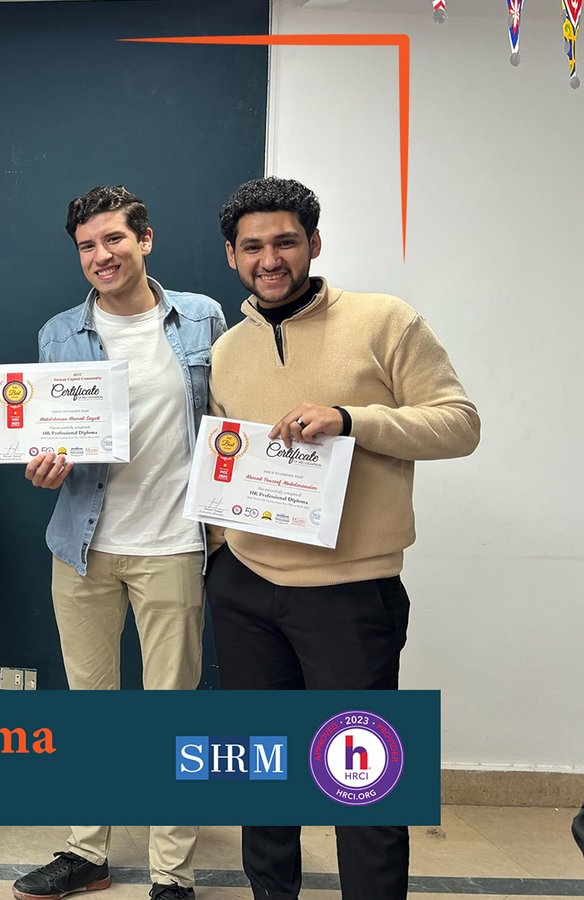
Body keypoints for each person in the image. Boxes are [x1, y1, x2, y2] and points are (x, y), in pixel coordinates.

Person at [210, 176, 479, 899]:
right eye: (253, 247)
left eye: (286, 242)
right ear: (232, 255)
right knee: (264, 775)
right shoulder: (228, 350)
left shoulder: (384, 321)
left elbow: (460, 424)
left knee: (363, 782)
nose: (270, 260)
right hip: (245, 586)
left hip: (350, 593)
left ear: (315, 243)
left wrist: (351, 419)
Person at [12, 186, 222, 900]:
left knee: (172, 717)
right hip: (83, 546)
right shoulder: (58, 332)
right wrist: (45, 464)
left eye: (114, 240)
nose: (101, 256)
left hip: (174, 544)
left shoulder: (202, 317)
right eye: (87, 246)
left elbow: (226, 419)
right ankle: (87, 852)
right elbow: (49, 435)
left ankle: (172, 875)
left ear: (145, 240)